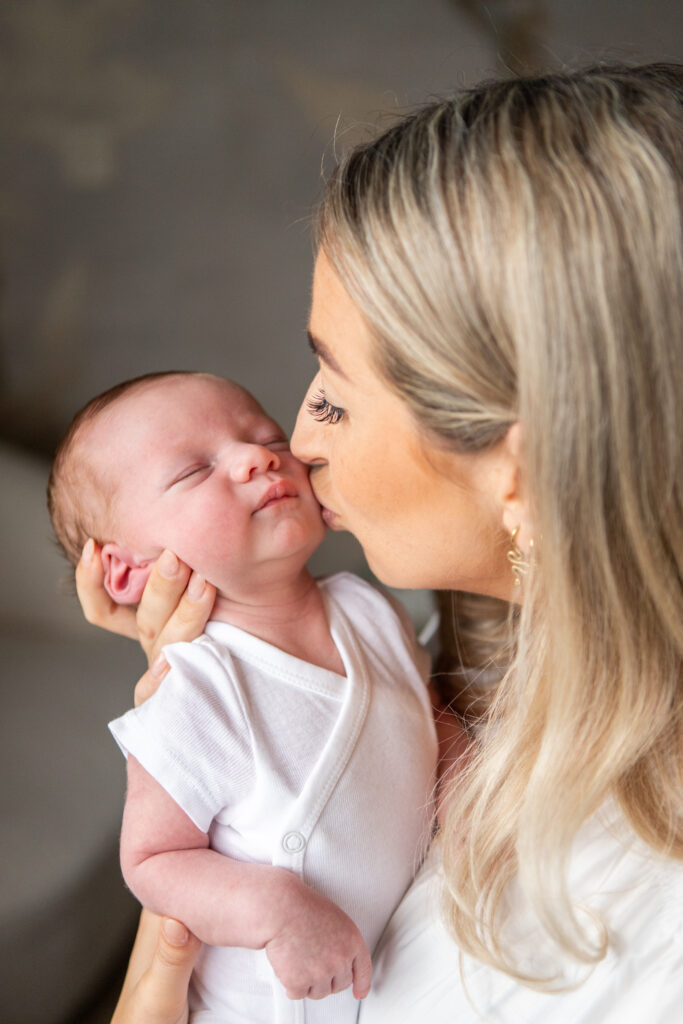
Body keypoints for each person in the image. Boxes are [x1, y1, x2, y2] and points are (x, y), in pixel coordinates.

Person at [74, 63, 683, 1023]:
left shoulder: (634, 942)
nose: (297, 445)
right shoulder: (449, 644)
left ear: (520, 472)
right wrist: (223, 671)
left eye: (334, 399)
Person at [48, 371, 439, 1023]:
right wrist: (275, 910)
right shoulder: (194, 692)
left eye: (267, 437)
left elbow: (416, 716)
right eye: (195, 470)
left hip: (391, 973)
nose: (258, 457)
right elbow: (153, 859)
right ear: (126, 569)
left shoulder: (368, 610)